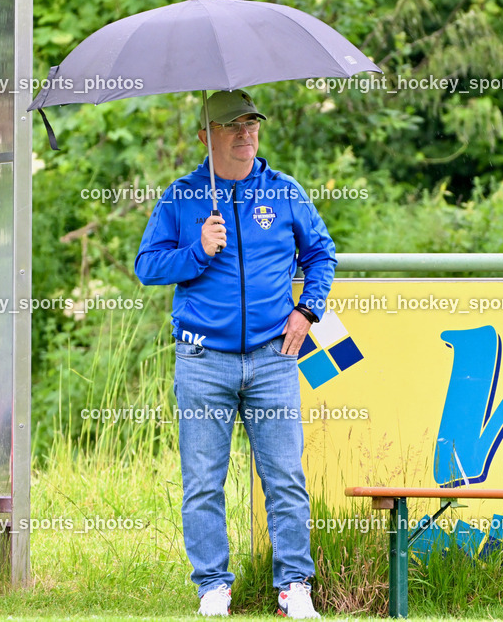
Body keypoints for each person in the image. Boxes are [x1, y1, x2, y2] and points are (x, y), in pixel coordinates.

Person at [135, 89, 335, 618]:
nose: (245, 133)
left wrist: (307, 311)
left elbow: (321, 253)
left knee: (285, 478)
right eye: (231, 125)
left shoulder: (285, 191)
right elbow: (148, 268)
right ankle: (213, 588)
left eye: (251, 123)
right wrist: (198, 249)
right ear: (206, 135)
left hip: (273, 357)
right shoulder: (182, 198)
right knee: (203, 481)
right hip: (203, 361)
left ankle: (295, 588)